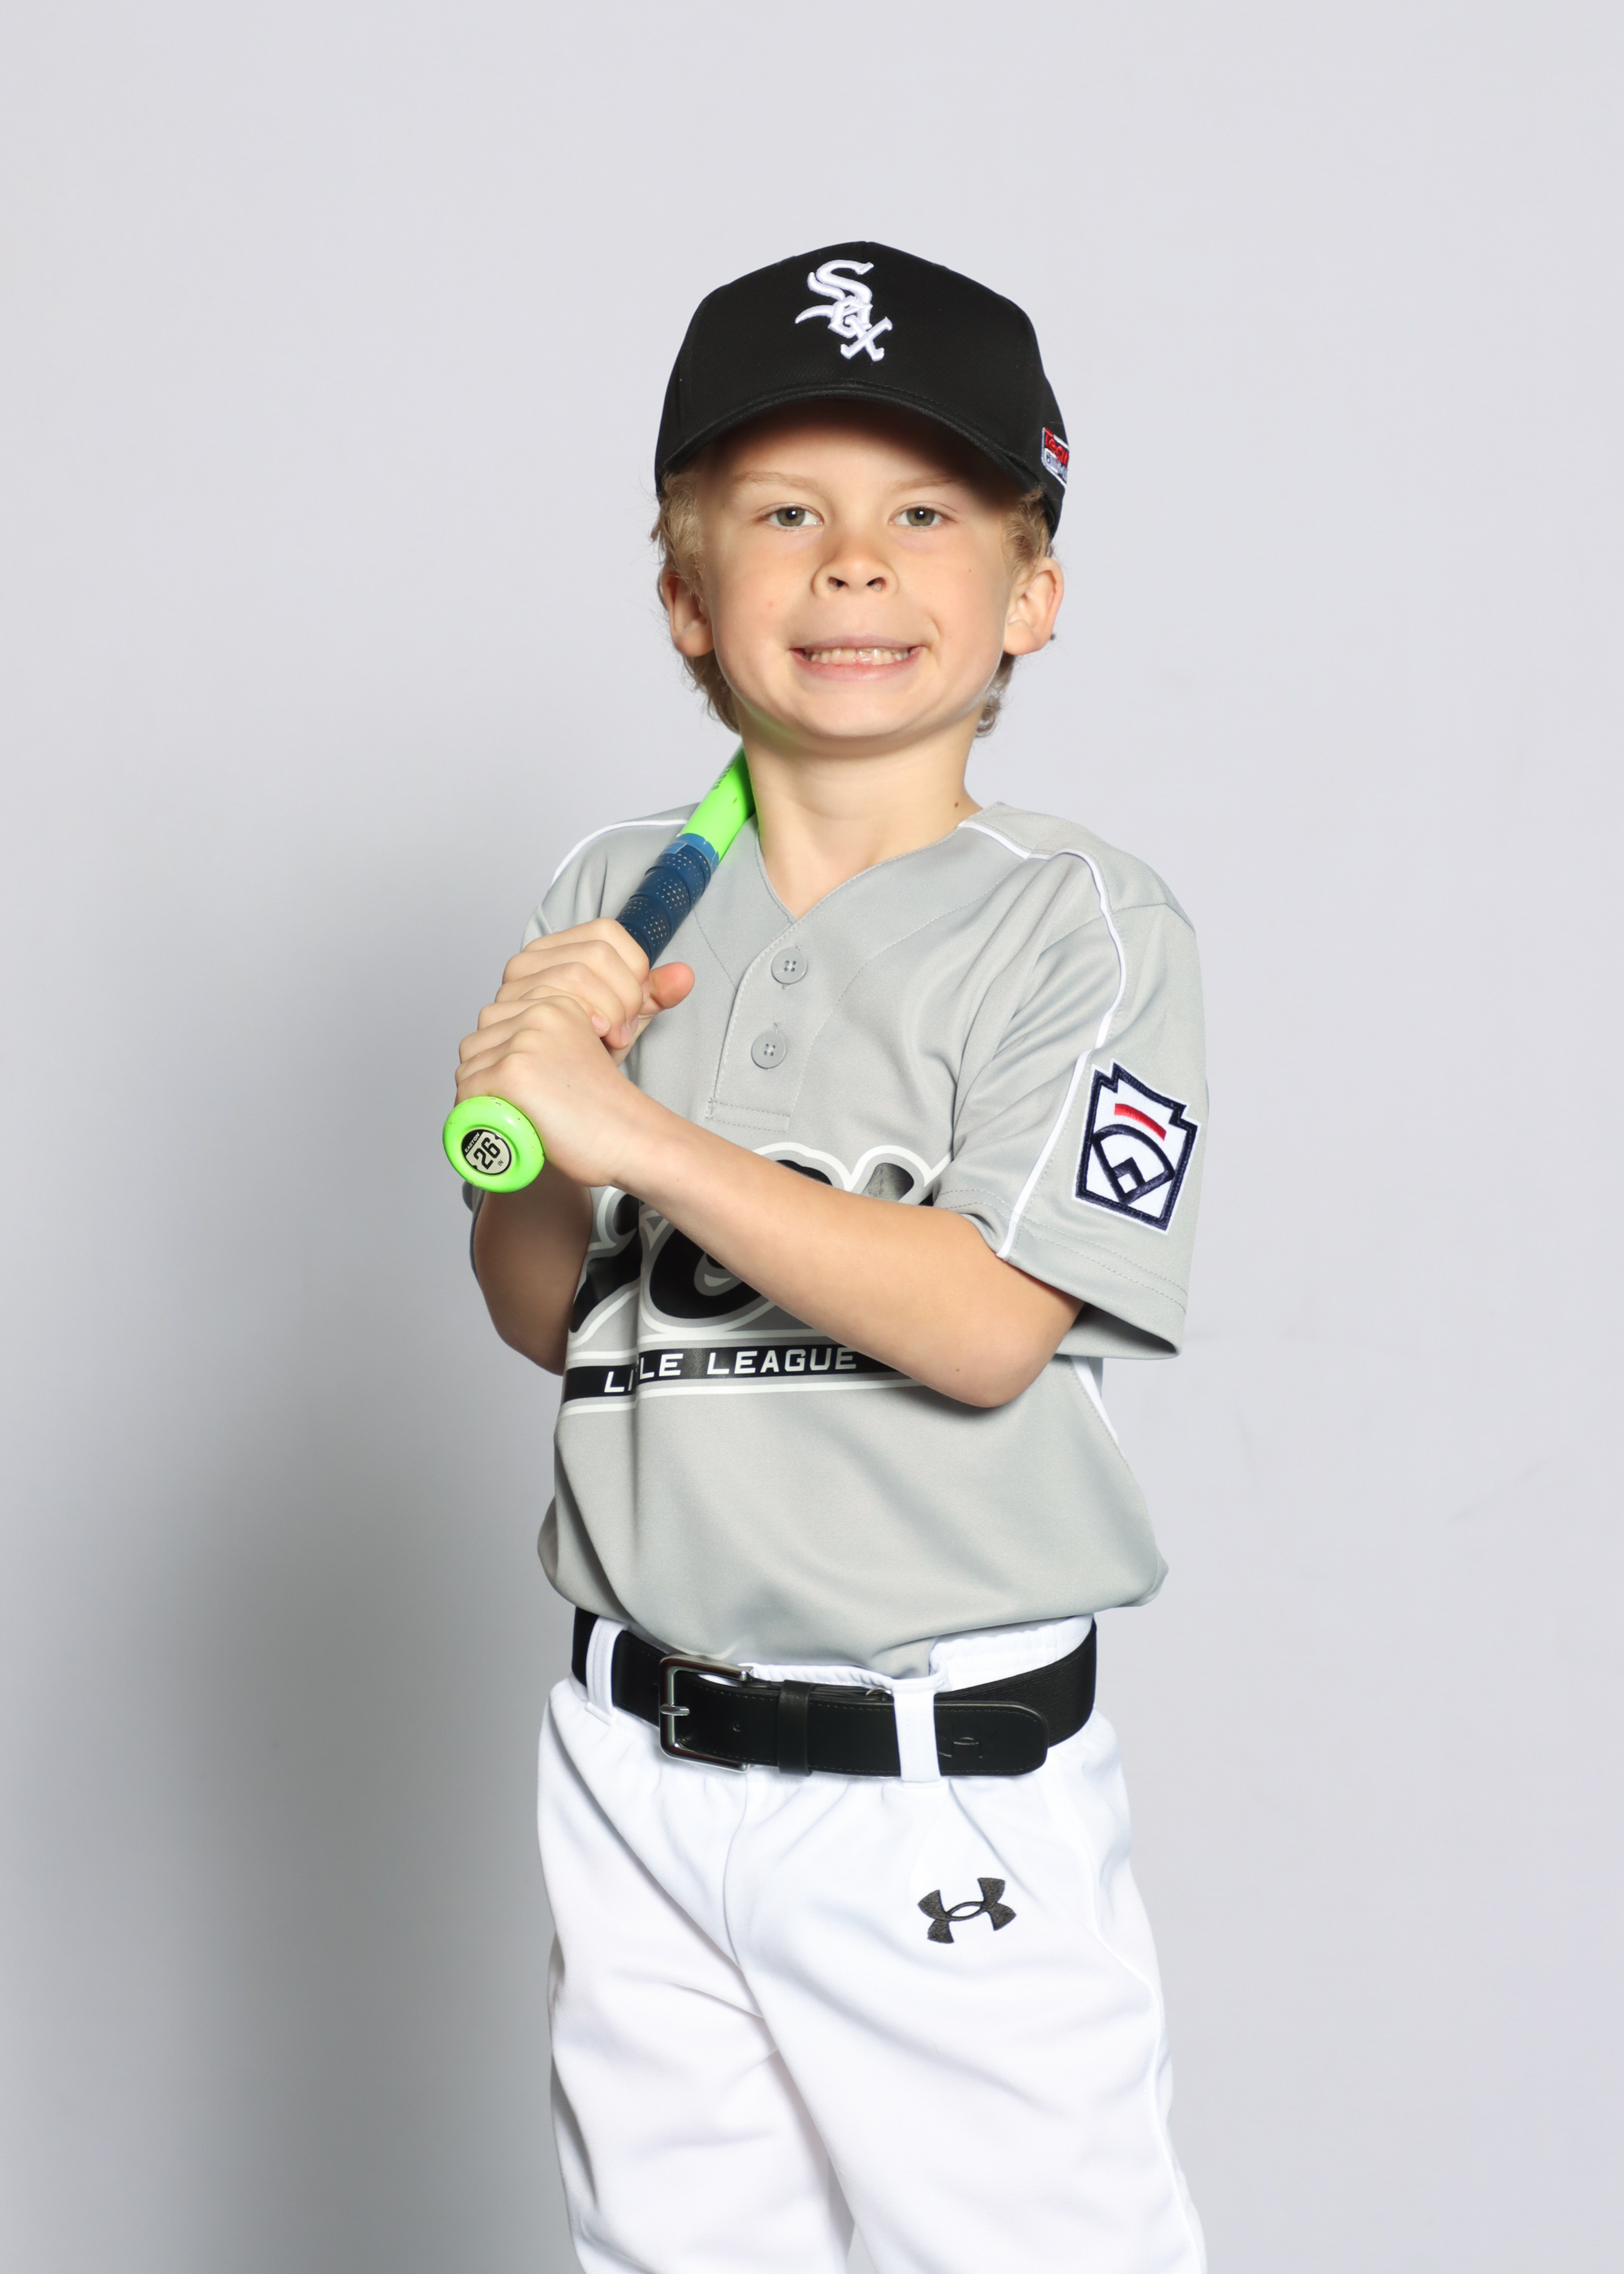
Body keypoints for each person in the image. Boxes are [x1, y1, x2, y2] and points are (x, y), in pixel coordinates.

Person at [455, 243, 1208, 2274]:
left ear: (1029, 594)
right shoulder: (614, 891)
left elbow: (982, 1328)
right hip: (631, 1754)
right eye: (784, 512)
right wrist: (528, 1123)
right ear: (689, 600)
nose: (854, 560)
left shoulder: (1080, 925)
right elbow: (549, 1315)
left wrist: (634, 1128)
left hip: (930, 1766)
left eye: (926, 513)